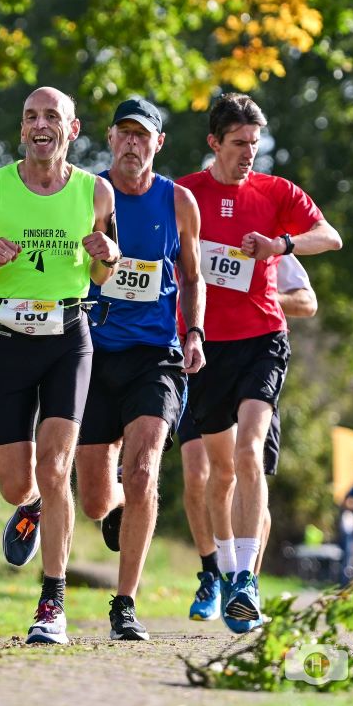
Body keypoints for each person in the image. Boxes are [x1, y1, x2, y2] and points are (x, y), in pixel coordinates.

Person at [0, 87, 119, 644]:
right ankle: (32, 506)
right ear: (21, 131)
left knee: (57, 464)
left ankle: (51, 603)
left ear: (73, 128)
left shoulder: (96, 191)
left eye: (52, 117)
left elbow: (107, 272)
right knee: (18, 484)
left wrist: (105, 255)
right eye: (31, 117)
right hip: (9, 339)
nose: (41, 125)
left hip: (69, 336)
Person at [176, 93, 343, 633]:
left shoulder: (276, 192)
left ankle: (246, 578)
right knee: (218, 472)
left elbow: (330, 237)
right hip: (205, 347)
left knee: (250, 451)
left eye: (255, 143)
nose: (249, 153)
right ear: (214, 143)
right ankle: (227, 574)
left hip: (263, 337)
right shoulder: (186, 193)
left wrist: (281, 245)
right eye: (239, 143)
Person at [72, 98, 205, 641]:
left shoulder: (179, 202)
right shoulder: (87, 194)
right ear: (109, 139)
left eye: (141, 135)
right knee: (96, 499)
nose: (132, 143)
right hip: (93, 352)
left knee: (146, 464)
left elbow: (193, 276)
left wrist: (194, 331)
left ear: (158, 144)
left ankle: (124, 604)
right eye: (123, 134)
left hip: (156, 356)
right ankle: (119, 503)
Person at [178, 253, 317, 620]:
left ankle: (245, 587)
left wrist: (259, 295)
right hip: (202, 365)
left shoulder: (265, 240)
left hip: (255, 372)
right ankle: (214, 573)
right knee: (198, 475)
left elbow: (307, 301)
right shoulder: (192, 220)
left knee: (249, 469)